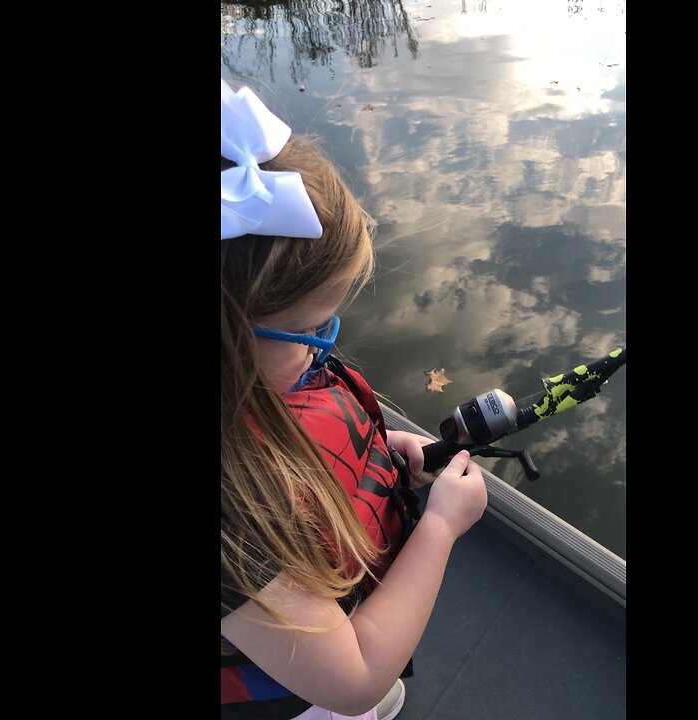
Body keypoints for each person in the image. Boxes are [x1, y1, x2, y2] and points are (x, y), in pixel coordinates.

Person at [220, 79, 489, 720]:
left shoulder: (259, 375)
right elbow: (357, 675)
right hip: (292, 691)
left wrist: (372, 452)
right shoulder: (233, 520)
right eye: (310, 332)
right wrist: (442, 526)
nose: (324, 349)